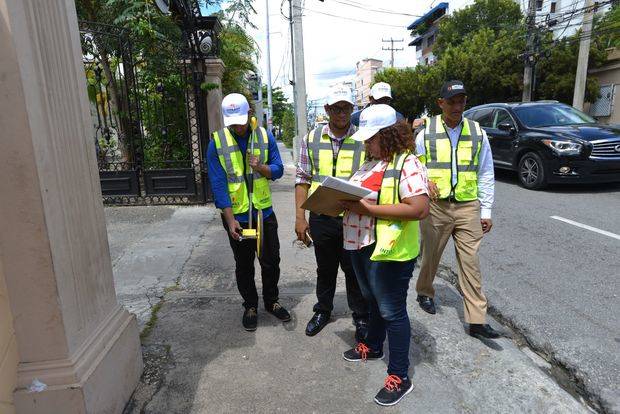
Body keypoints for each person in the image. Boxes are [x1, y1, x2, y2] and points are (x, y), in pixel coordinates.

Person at [340, 104, 429, 406]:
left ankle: (399, 376)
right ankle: (374, 345)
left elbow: (418, 208)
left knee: (392, 311)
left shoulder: (408, 164)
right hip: (364, 245)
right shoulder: (371, 163)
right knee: (373, 302)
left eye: (371, 138)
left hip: (391, 252)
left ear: (389, 135)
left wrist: (368, 209)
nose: (366, 144)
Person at [414, 80, 501, 340]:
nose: (457, 106)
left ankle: (476, 320)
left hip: (467, 206)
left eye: (461, 101)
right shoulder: (425, 132)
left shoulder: (477, 133)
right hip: (436, 207)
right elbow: (415, 166)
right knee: (431, 255)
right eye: (451, 101)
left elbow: (486, 170)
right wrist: (424, 181)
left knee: (471, 263)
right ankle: (425, 291)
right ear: (441, 103)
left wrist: (486, 209)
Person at [207, 93, 290, 331]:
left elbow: (279, 169)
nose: (238, 126)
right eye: (233, 121)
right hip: (240, 218)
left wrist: (261, 167)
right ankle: (250, 306)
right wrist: (230, 219)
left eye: (241, 120)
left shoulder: (264, 137)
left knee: (270, 261)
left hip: (263, 214)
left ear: (250, 114)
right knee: (244, 264)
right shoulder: (217, 142)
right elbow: (218, 183)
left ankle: (271, 302)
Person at [295, 84, 369, 339]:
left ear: (352, 109)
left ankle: (360, 317)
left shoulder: (362, 138)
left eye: (346, 108)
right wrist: (299, 218)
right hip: (322, 218)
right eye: (336, 108)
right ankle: (322, 311)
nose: (341, 113)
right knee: (325, 269)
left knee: (354, 270)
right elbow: (302, 179)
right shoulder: (312, 139)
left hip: (353, 217)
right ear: (327, 109)